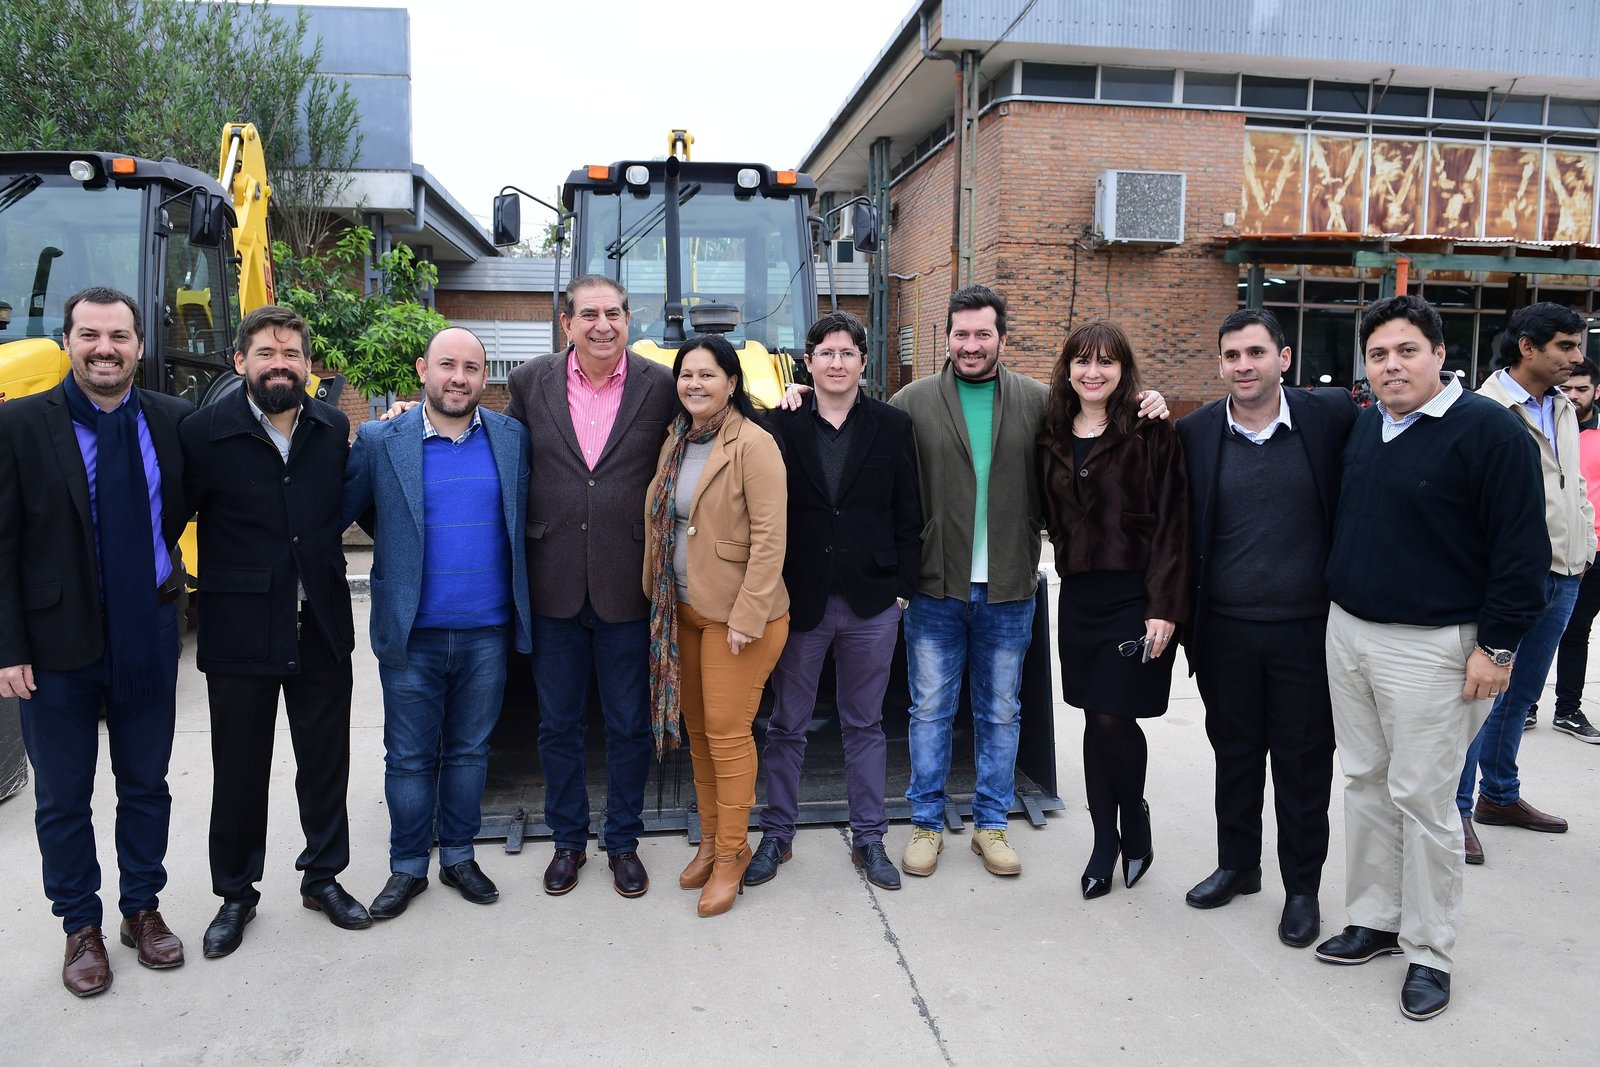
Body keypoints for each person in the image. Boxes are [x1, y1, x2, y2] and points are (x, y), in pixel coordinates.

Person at [879, 285, 1168, 880]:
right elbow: (863, 438)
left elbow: (1097, 422)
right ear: (947, 338)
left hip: (1009, 586)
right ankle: (926, 823)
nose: (971, 344)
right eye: (961, 334)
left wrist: (1150, 401)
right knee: (929, 711)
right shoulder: (912, 401)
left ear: (1003, 339)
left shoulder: (1040, 403)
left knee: (1000, 713)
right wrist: (798, 398)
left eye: (983, 334)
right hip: (935, 586)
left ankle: (991, 824)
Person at [1317, 294, 1548, 1022]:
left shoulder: (1489, 432)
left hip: (1435, 648)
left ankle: (1430, 951)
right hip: (1351, 632)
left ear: (1440, 354)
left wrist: (1497, 647)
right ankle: (1376, 919)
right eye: (1378, 354)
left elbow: (1522, 553)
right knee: (1365, 782)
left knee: (1424, 799)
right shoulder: (1368, 425)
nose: (1392, 365)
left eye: (1406, 350)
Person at [0, 287, 191, 996]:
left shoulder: (172, 421)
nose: (104, 349)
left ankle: (141, 907)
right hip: (55, 643)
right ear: (68, 342)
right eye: (90, 335)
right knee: (62, 795)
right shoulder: (20, 424)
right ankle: (80, 923)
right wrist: (7, 646)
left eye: (118, 336)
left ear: (139, 345)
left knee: (146, 783)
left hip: (148, 628)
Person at [182, 305, 369, 958]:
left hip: (319, 623)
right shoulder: (203, 433)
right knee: (239, 771)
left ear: (308, 364)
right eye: (266, 352)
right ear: (241, 361)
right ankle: (236, 893)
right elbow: (170, 515)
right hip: (240, 630)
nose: (280, 363)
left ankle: (323, 878)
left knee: (325, 764)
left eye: (291, 353)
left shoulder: (331, 426)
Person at [1177, 309, 1355, 946]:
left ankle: (1302, 888)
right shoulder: (1194, 432)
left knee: (1304, 766)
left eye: (1255, 352)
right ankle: (1238, 865)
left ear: (1284, 358)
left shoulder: (1330, 417)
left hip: (1306, 632)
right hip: (1224, 631)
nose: (1243, 365)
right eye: (1232, 355)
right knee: (1235, 756)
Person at [342, 327, 532, 918]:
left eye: (471, 368)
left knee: (471, 752)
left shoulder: (511, 438)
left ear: (484, 378)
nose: (459, 378)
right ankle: (406, 866)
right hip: (411, 632)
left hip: (487, 631)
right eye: (447, 365)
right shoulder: (380, 439)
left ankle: (457, 856)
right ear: (424, 370)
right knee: (408, 757)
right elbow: (346, 512)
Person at [506, 275, 675, 899]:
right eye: (589, 314)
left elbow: (718, 418)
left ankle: (623, 842)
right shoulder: (529, 382)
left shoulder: (661, 384)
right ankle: (568, 841)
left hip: (628, 582)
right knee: (558, 725)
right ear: (567, 324)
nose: (603, 325)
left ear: (628, 320)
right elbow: (499, 447)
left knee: (629, 724)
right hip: (552, 580)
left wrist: (792, 398)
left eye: (613, 313)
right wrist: (409, 415)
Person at [746, 311, 921, 891]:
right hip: (800, 600)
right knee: (786, 724)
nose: (837, 362)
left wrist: (902, 590)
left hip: (873, 601)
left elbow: (909, 512)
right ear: (809, 362)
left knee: (864, 724)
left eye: (847, 353)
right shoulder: (779, 424)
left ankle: (869, 838)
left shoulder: (893, 425)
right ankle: (777, 835)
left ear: (863, 362)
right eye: (826, 353)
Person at [1039, 321, 1189, 899]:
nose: (1093, 372)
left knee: (1112, 716)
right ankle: (1107, 839)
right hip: (1080, 597)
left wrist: (1164, 607)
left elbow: (1174, 523)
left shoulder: (1150, 430)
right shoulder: (1050, 431)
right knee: (1092, 716)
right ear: (1068, 368)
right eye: (1082, 360)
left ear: (1124, 370)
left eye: (1106, 361)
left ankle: (1133, 820)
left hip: (1137, 598)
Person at [644, 333, 789, 916]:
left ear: (732, 382)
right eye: (686, 374)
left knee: (728, 736)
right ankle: (710, 840)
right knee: (700, 735)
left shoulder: (754, 443)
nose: (695, 384)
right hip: (683, 610)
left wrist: (748, 615)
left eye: (708, 374)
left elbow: (771, 538)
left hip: (738, 619)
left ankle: (733, 853)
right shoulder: (675, 439)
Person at [1457, 302, 1594, 863]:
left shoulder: (1562, 406)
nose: (1577, 357)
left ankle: (1500, 795)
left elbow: (1571, 483)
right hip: (1510, 580)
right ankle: (1456, 810)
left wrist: (1584, 544)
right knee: (1479, 700)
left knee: (1520, 698)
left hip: (1565, 573)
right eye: (1566, 345)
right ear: (1527, 347)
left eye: (1578, 345)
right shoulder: (1483, 410)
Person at [1545, 357, 1600, 743]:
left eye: (1582, 389)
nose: (1573, 396)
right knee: (1535, 630)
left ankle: (1567, 709)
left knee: (1577, 630)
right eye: (1567, 388)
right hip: (1553, 547)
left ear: (1597, 391)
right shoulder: (1546, 426)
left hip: (1594, 550)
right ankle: (1526, 704)